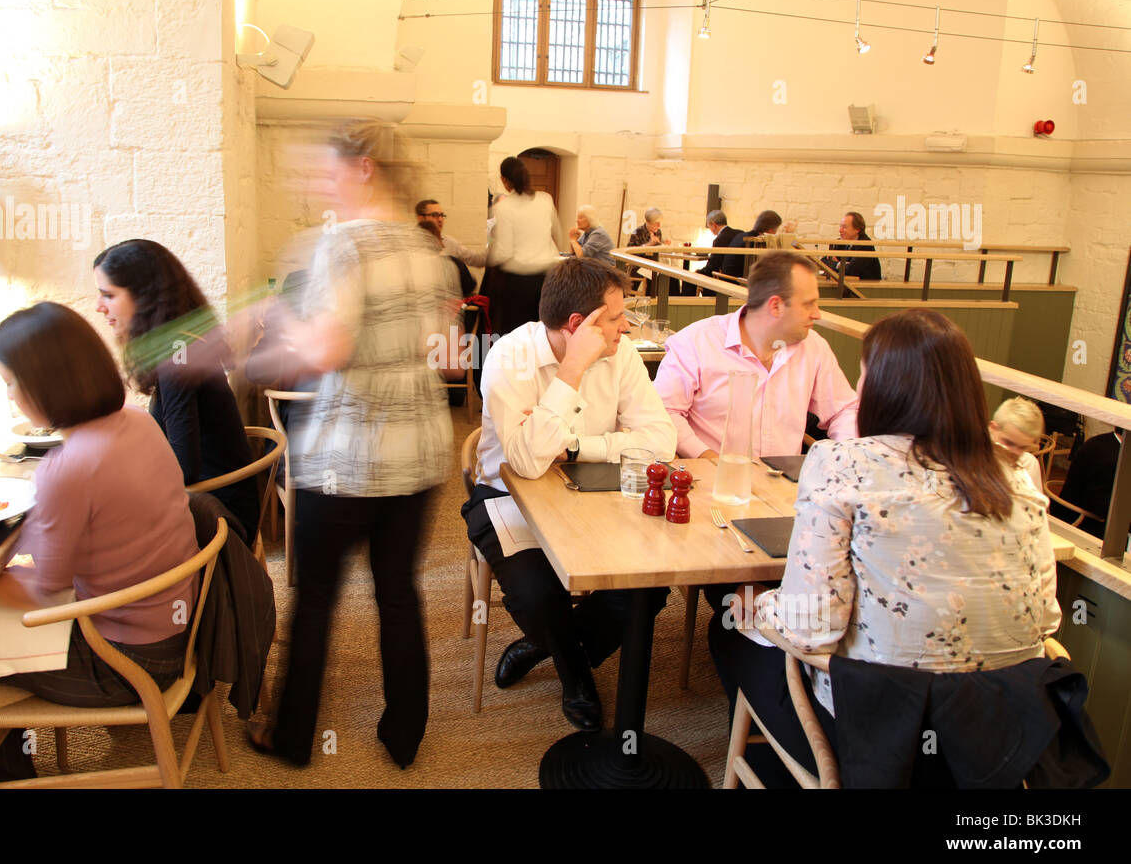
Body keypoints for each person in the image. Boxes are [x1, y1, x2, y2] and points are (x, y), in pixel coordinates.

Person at [710, 308, 1063, 780]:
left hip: (883, 731)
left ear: (883, 386)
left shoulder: (841, 463)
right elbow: (1046, 619)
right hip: (1002, 733)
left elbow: (811, 627)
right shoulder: (1018, 479)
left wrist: (757, 608)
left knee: (729, 627)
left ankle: (785, 771)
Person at [0, 303, 200, 788]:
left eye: (11, 383)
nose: (10, 396)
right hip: (170, 630)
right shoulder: (136, 421)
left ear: (46, 384)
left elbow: (45, 589)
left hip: (126, 663)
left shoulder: (71, 465)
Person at [247, 121, 456, 769]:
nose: (320, 185)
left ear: (365, 168)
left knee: (314, 598)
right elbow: (444, 346)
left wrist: (281, 323)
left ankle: (292, 738)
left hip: (347, 458)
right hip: (419, 451)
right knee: (398, 592)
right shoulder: (431, 250)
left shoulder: (343, 245)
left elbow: (327, 350)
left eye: (328, 171)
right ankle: (404, 734)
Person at [461, 258, 677, 732]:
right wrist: (574, 368)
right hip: (505, 497)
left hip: (596, 490)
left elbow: (662, 439)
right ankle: (575, 674)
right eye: (617, 318)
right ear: (579, 325)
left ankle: (542, 647)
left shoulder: (620, 354)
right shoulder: (508, 357)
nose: (626, 327)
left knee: (650, 579)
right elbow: (527, 462)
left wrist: (580, 446)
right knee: (540, 593)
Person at [93, 239, 260, 540]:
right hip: (220, 499)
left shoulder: (176, 354)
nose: (98, 306)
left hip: (219, 518)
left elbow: (184, 470)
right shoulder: (183, 341)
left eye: (108, 294)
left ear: (143, 296)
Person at [655, 250, 858, 462]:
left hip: (786, 488)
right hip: (713, 484)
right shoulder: (696, 342)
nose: (817, 314)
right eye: (808, 303)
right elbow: (665, 412)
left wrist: (843, 459)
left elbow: (844, 410)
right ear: (776, 305)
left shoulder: (813, 347)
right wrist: (709, 458)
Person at [486, 156, 562, 334]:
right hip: (546, 279)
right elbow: (557, 233)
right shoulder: (545, 200)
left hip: (518, 282)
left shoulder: (504, 207)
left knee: (517, 335)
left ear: (504, 180)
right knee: (543, 333)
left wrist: (488, 258)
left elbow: (504, 252)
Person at [1052, 428, 1123, 538]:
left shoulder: (1102, 441)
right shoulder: (1112, 458)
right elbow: (1101, 507)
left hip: (1077, 513)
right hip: (1082, 524)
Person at [701, 209, 780, 282]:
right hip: (733, 282)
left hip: (725, 277)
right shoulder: (753, 241)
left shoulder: (743, 236)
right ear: (770, 231)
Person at [990, 396, 1046, 492]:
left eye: (1022, 448)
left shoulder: (1028, 463)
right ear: (992, 428)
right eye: (1008, 443)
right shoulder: (967, 454)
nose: (1014, 453)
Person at [415, 198, 487, 271]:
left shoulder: (449, 242)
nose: (440, 219)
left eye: (442, 215)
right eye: (435, 215)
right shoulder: (410, 242)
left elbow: (478, 260)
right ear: (421, 218)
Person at [822, 211, 881, 281]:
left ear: (857, 229)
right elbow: (823, 262)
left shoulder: (865, 244)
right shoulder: (842, 241)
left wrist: (836, 264)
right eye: (840, 226)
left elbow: (850, 271)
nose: (840, 230)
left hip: (866, 288)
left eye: (844, 227)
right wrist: (841, 264)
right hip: (848, 284)